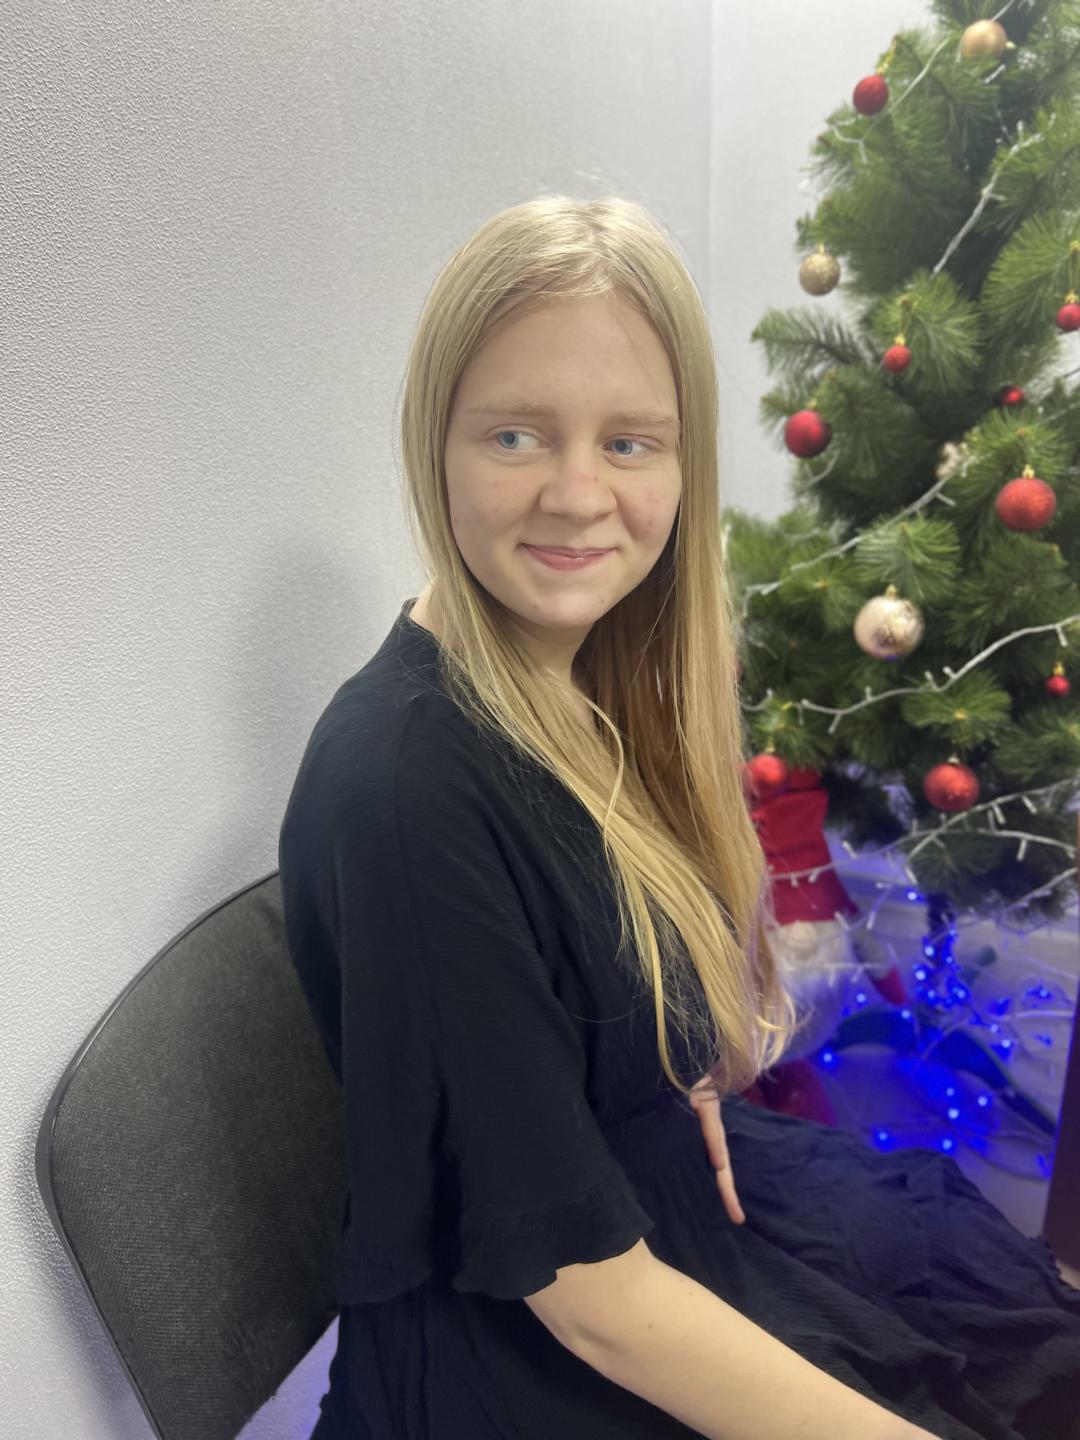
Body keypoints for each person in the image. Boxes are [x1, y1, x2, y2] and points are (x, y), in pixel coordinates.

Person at [277, 196, 1080, 1440]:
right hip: (533, 1345)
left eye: (630, 443)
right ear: (436, 446)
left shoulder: (578, 674)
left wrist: (662, 1073)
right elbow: (589, 1300)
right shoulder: (406, 792)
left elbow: (573, 988)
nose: (577, 495)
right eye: (514, 435)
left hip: (655, 1206)